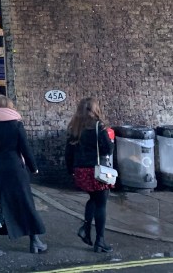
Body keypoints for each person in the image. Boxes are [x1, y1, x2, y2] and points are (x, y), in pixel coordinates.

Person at [0, 95, 47, 259]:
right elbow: (25, 148)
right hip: (15, 170)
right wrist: (33, 167)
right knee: (24, 203)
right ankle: (34, 241)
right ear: (10, 107)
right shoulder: (16, 124)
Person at [65, 97, 115, 253]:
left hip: (81, 171)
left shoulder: (74, 127)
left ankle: (86, 230)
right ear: (95, 110)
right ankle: (100, 240)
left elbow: (68, 152)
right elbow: (108, 149)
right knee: (101, 204)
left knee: (93, 199)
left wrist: (71, 170)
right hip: (97, 171)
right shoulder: (99, 126)